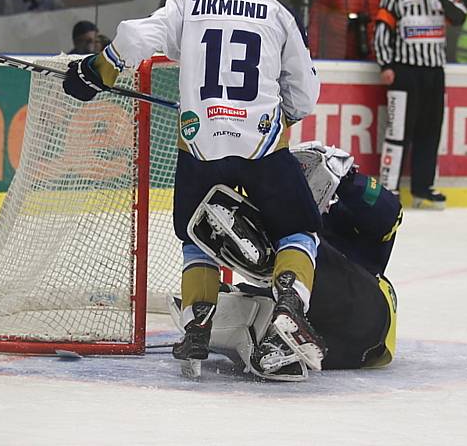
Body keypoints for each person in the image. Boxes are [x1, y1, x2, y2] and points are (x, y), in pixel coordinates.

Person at [62, 0, 324, 379]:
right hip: (259, 145)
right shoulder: (279, 14)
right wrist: (285, 112)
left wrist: (98, 70)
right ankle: (288, 312)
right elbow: (304, 94)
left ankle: (198, 325)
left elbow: (136, 36)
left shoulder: (189, 0)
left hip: (200, 146)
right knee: (299, 230)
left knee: (198, 236)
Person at [169, 142, 400, 380]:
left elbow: (390, 213)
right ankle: (270, 349)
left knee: (293, 248)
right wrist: (238, 293)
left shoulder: (346, 221)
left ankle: (216, 308)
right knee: (273, 299)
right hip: (331, 350)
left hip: (368, 315)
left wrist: (349, 178)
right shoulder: (300, 231)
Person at [374, 0, 466, 210]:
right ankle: (389, 188)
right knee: (398, 132)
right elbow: (381, 30)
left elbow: (460, 17)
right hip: (405, 71)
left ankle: (423, 188)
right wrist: (386, 64)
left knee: (430, 131)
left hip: (434, 72)